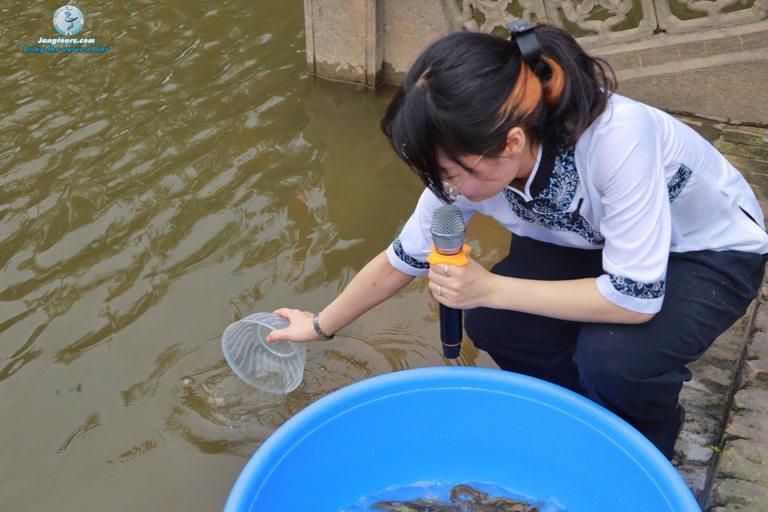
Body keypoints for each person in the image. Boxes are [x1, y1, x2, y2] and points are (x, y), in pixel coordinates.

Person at [266, 22, 768, 460]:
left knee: (614, 358)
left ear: (510, 143)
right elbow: (404, 258)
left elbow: (634, 299)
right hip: (587, 241)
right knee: (497, 324)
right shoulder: (469, 164)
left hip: (705, 251)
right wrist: (318, 325)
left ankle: (643, 444)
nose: (445, 189)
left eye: (450, 173)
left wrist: (488, 288)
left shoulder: (618, 138)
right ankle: (581, 416)